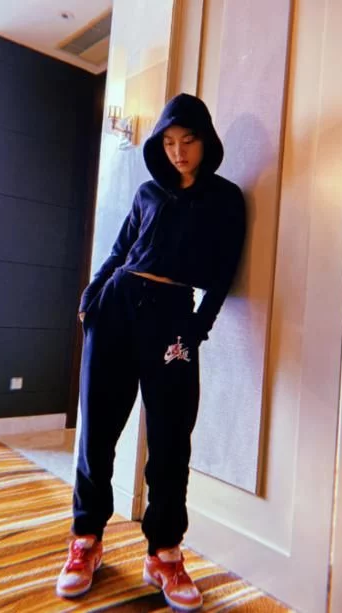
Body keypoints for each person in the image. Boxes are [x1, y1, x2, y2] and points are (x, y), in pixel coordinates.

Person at [56, 93, 246, 611]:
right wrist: (90, 298)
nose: (178, 152)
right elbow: (120, 250)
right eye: (169, 142)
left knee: (171, 439)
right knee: (98, 431)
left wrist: (197, 329)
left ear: (206, 141)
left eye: (188, 140)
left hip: (172, 320)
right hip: (116, 308)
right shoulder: (147, 192)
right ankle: (86, 540)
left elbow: (223, 274)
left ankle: (164, 553)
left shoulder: (226, 199)